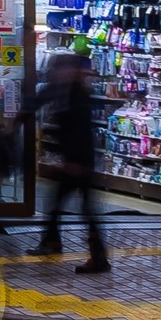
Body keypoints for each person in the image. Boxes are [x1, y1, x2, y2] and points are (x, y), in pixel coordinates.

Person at [34, 37, 108, 274]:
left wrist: (74, 159)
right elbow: (39, 101)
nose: (57, 73)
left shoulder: (76, 94)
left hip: (79, 161)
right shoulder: (67, 90)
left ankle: (97, 258)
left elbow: (78, 128)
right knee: (63, 205)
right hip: (76, 159)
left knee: (84, 209)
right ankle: (53, 242)